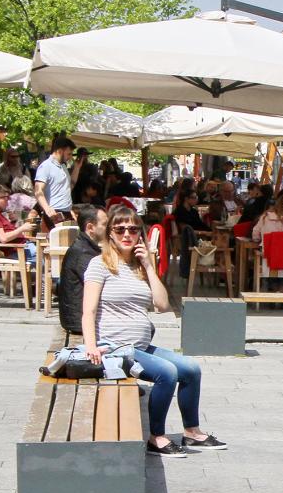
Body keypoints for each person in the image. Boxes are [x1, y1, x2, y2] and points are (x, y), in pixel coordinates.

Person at [81, 206, 226, 458]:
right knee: (167, 373)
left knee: (191, 369)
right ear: (111, 234)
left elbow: (162, 305)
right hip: (115, 348)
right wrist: (91, 346)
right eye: (120, 229)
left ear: (141, 234)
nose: (127, 234)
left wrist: (149, 265)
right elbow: (88, 311)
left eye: (134, 229)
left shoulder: (139, 267)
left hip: (141, 346)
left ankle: (191, 431)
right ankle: (156, 437)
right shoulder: (99, 264)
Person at [57, 205, 108, 335]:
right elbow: (104, 286)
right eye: (105, 224)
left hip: (79, 318)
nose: (109, 229)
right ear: (90, 227)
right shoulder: (83, 253)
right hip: (79, 321)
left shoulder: (85, 247)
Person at [34, 136, 80, 231]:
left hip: (66, 213)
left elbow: (70, 186)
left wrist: (77, 168)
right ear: (59, 151)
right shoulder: (45, 166)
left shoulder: (63, 166)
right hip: (53, 214)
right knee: (53, 245)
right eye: (69, 154)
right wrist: (47, 209)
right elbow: (38, 191)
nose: (70, 157)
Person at [0, 183, 38, 263]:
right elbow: (3, 238)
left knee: (52, 261)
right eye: (7, 199)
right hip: (19, 250)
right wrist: (22, 229)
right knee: (51, 264)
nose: (8, 203)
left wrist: (15, 222)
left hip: (24, 248)